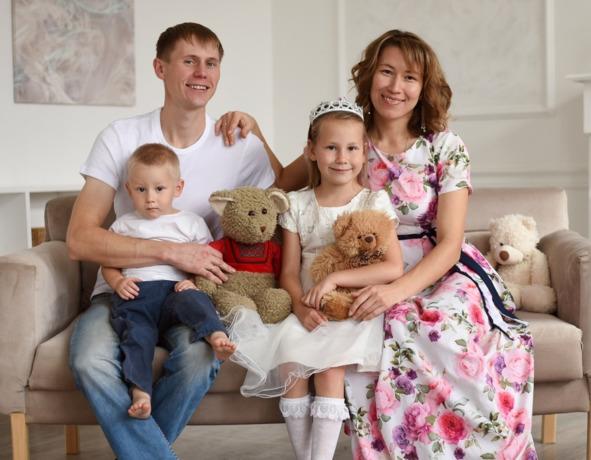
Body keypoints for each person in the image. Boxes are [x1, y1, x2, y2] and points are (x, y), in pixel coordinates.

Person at [66, 22, 291, 459]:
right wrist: (170, 251)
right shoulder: (121, 137)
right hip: (122, 292)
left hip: (189, 294)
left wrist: (260, 134)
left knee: (200, 359)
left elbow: (284, 198)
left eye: (211, 63)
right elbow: (79, 239)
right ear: (160, 68)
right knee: (87, 359)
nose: (201, 72)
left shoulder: (239, 145)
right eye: (189, 61)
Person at [340, 30, 537, 459]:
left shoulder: (445, 146)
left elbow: (450, 243)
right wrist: (253, 132)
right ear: (369, 75)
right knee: (377, 326)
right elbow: (283, 181)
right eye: (386, 72)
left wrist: (395, 292)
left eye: (410, 77)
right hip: (373, 264)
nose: (395, 86)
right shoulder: (347, 139)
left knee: (438, 326)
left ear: (423, 87)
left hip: (441, 266)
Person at [228, 97, 404, 460]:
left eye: (352, 148)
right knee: (291, 366)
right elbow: (288, 272)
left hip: (351, 310)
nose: (342, 157)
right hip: (307, 306)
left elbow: (392, 268)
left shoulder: (374, 202)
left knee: (328, 370)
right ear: (311, 150)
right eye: (331, 147)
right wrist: (300, 307)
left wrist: (334, 279)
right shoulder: (297, 204)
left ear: (364, 151)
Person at [102, 143, 236, 420]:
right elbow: (108, 262)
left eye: (159, 189)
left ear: (178, 188)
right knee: (136, 337)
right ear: (129, 190)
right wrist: (117, 283)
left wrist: (194, 281)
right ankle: (140, 391)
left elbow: (207, 260)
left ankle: (216, 335)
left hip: (177, 291)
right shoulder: (123, 225)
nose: (150, 198)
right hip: (137, 294)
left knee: (195, 300)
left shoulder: (191, 223)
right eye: (141, 189)